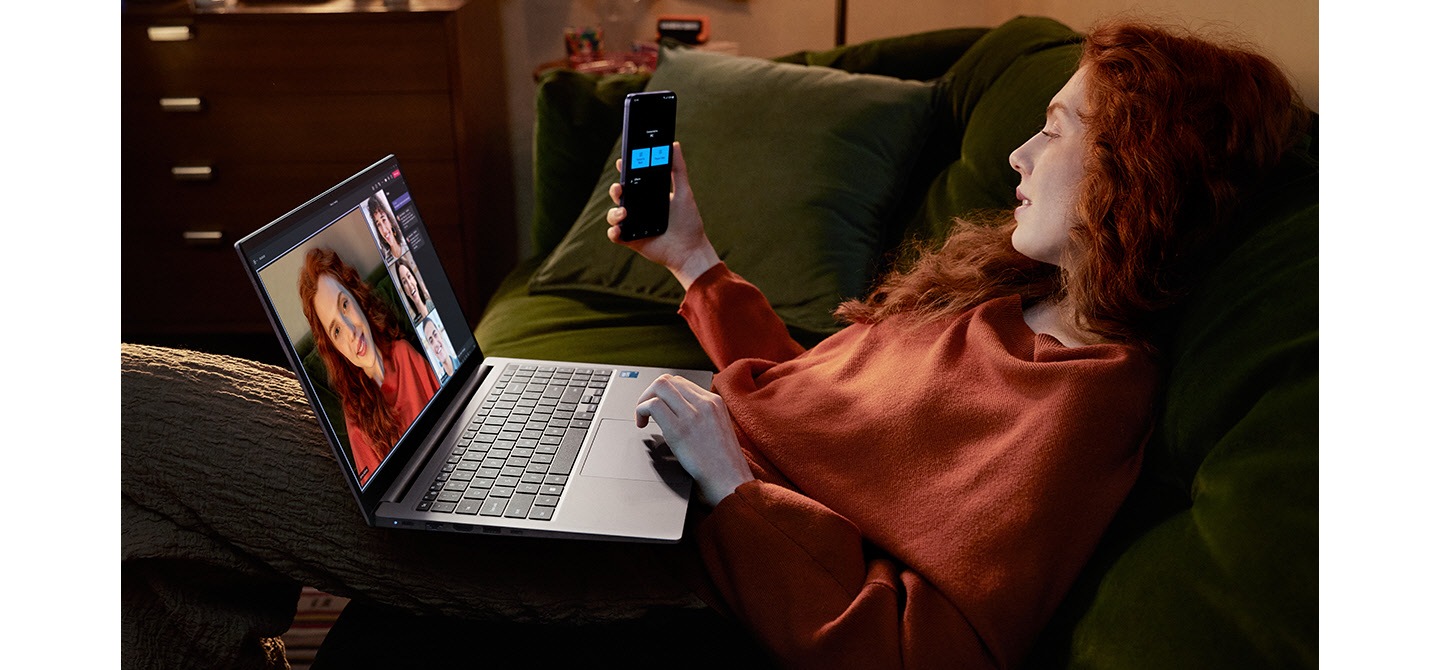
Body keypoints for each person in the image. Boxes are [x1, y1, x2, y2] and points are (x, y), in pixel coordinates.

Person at [120, 21, 1307, 669]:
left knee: (120, 417)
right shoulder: (1007, 297)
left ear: (1134, 172)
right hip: (661, 465)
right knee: (135, 515)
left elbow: (931, 646)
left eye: (1056, 133)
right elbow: (815, 406)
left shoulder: (1079, 400)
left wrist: (734, 490)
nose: (1018, 157)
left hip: (669, 555)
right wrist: (695, 261)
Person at [299, 247, 440, 485]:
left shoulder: (404, 353)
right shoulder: (355, 415)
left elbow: (448, 412)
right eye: (336, 331)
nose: (351, 332)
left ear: (356, 298)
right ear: (335, 349)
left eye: (344, 305)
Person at [370, 197, 409, 264]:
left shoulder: (407, 246)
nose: (384, 230)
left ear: (390, 221)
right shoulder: (387, 262)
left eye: (384, 220)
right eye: (379, 224)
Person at [422, 316, 460, 383]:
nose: (436, 343)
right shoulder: (441, 385)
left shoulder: (461, 361)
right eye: (431, 341)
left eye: (435, 334)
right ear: (430, 347)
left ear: (440, 334)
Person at [394, 256, 433, 321]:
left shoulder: (432, 303)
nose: (409, 285)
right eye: (404, 282)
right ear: (405, 291)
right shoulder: (415, 323)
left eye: (409, 276)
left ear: (414, 278)